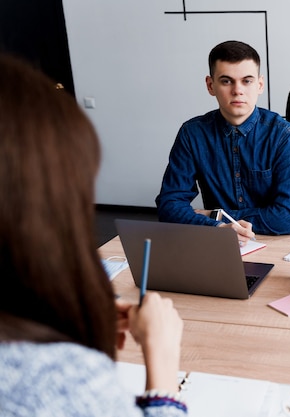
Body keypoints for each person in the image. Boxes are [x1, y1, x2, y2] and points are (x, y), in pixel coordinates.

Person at [0, 54, 186, 416]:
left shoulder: (282, 133)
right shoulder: (52, 378)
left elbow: (284, 212)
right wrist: (163, 364)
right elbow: (170, 203)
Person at [156, 40, 290, 238]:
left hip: (276, 242)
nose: (237, 90)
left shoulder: (284, 136)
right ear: (211, 85)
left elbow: (288, 217)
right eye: (227, 81)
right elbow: (169, 205)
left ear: (260, 85)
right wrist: (217, 227)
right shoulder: (192, 134)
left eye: (247, 81)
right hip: (219, 241)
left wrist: (216, 216)